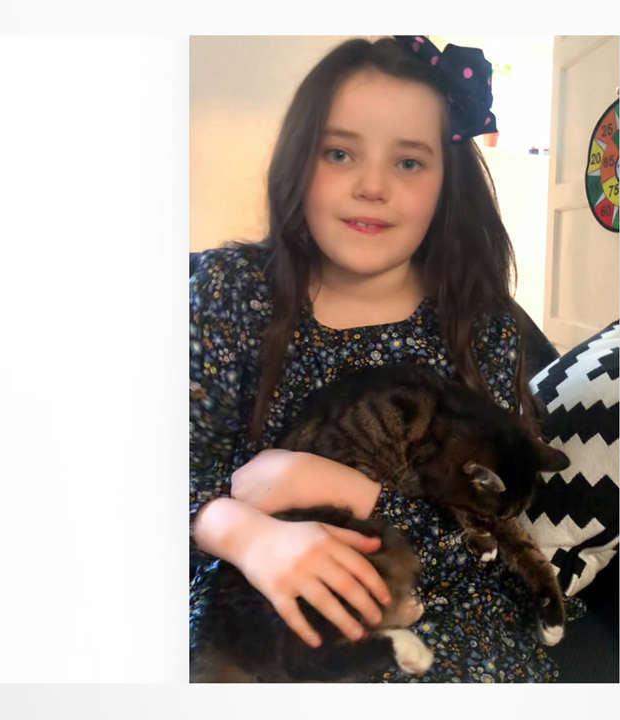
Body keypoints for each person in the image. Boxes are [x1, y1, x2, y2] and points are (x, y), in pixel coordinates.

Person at [188, 35, 566, 682]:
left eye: (409, 162)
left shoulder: (482, 326)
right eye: (340, 153)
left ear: (446, 184)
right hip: (254, 596)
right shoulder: (231, 293)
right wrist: (245, 534)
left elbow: (481, 542)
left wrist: (347, 491)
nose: (372, 186)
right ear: (299, 161)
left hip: (442, 617)